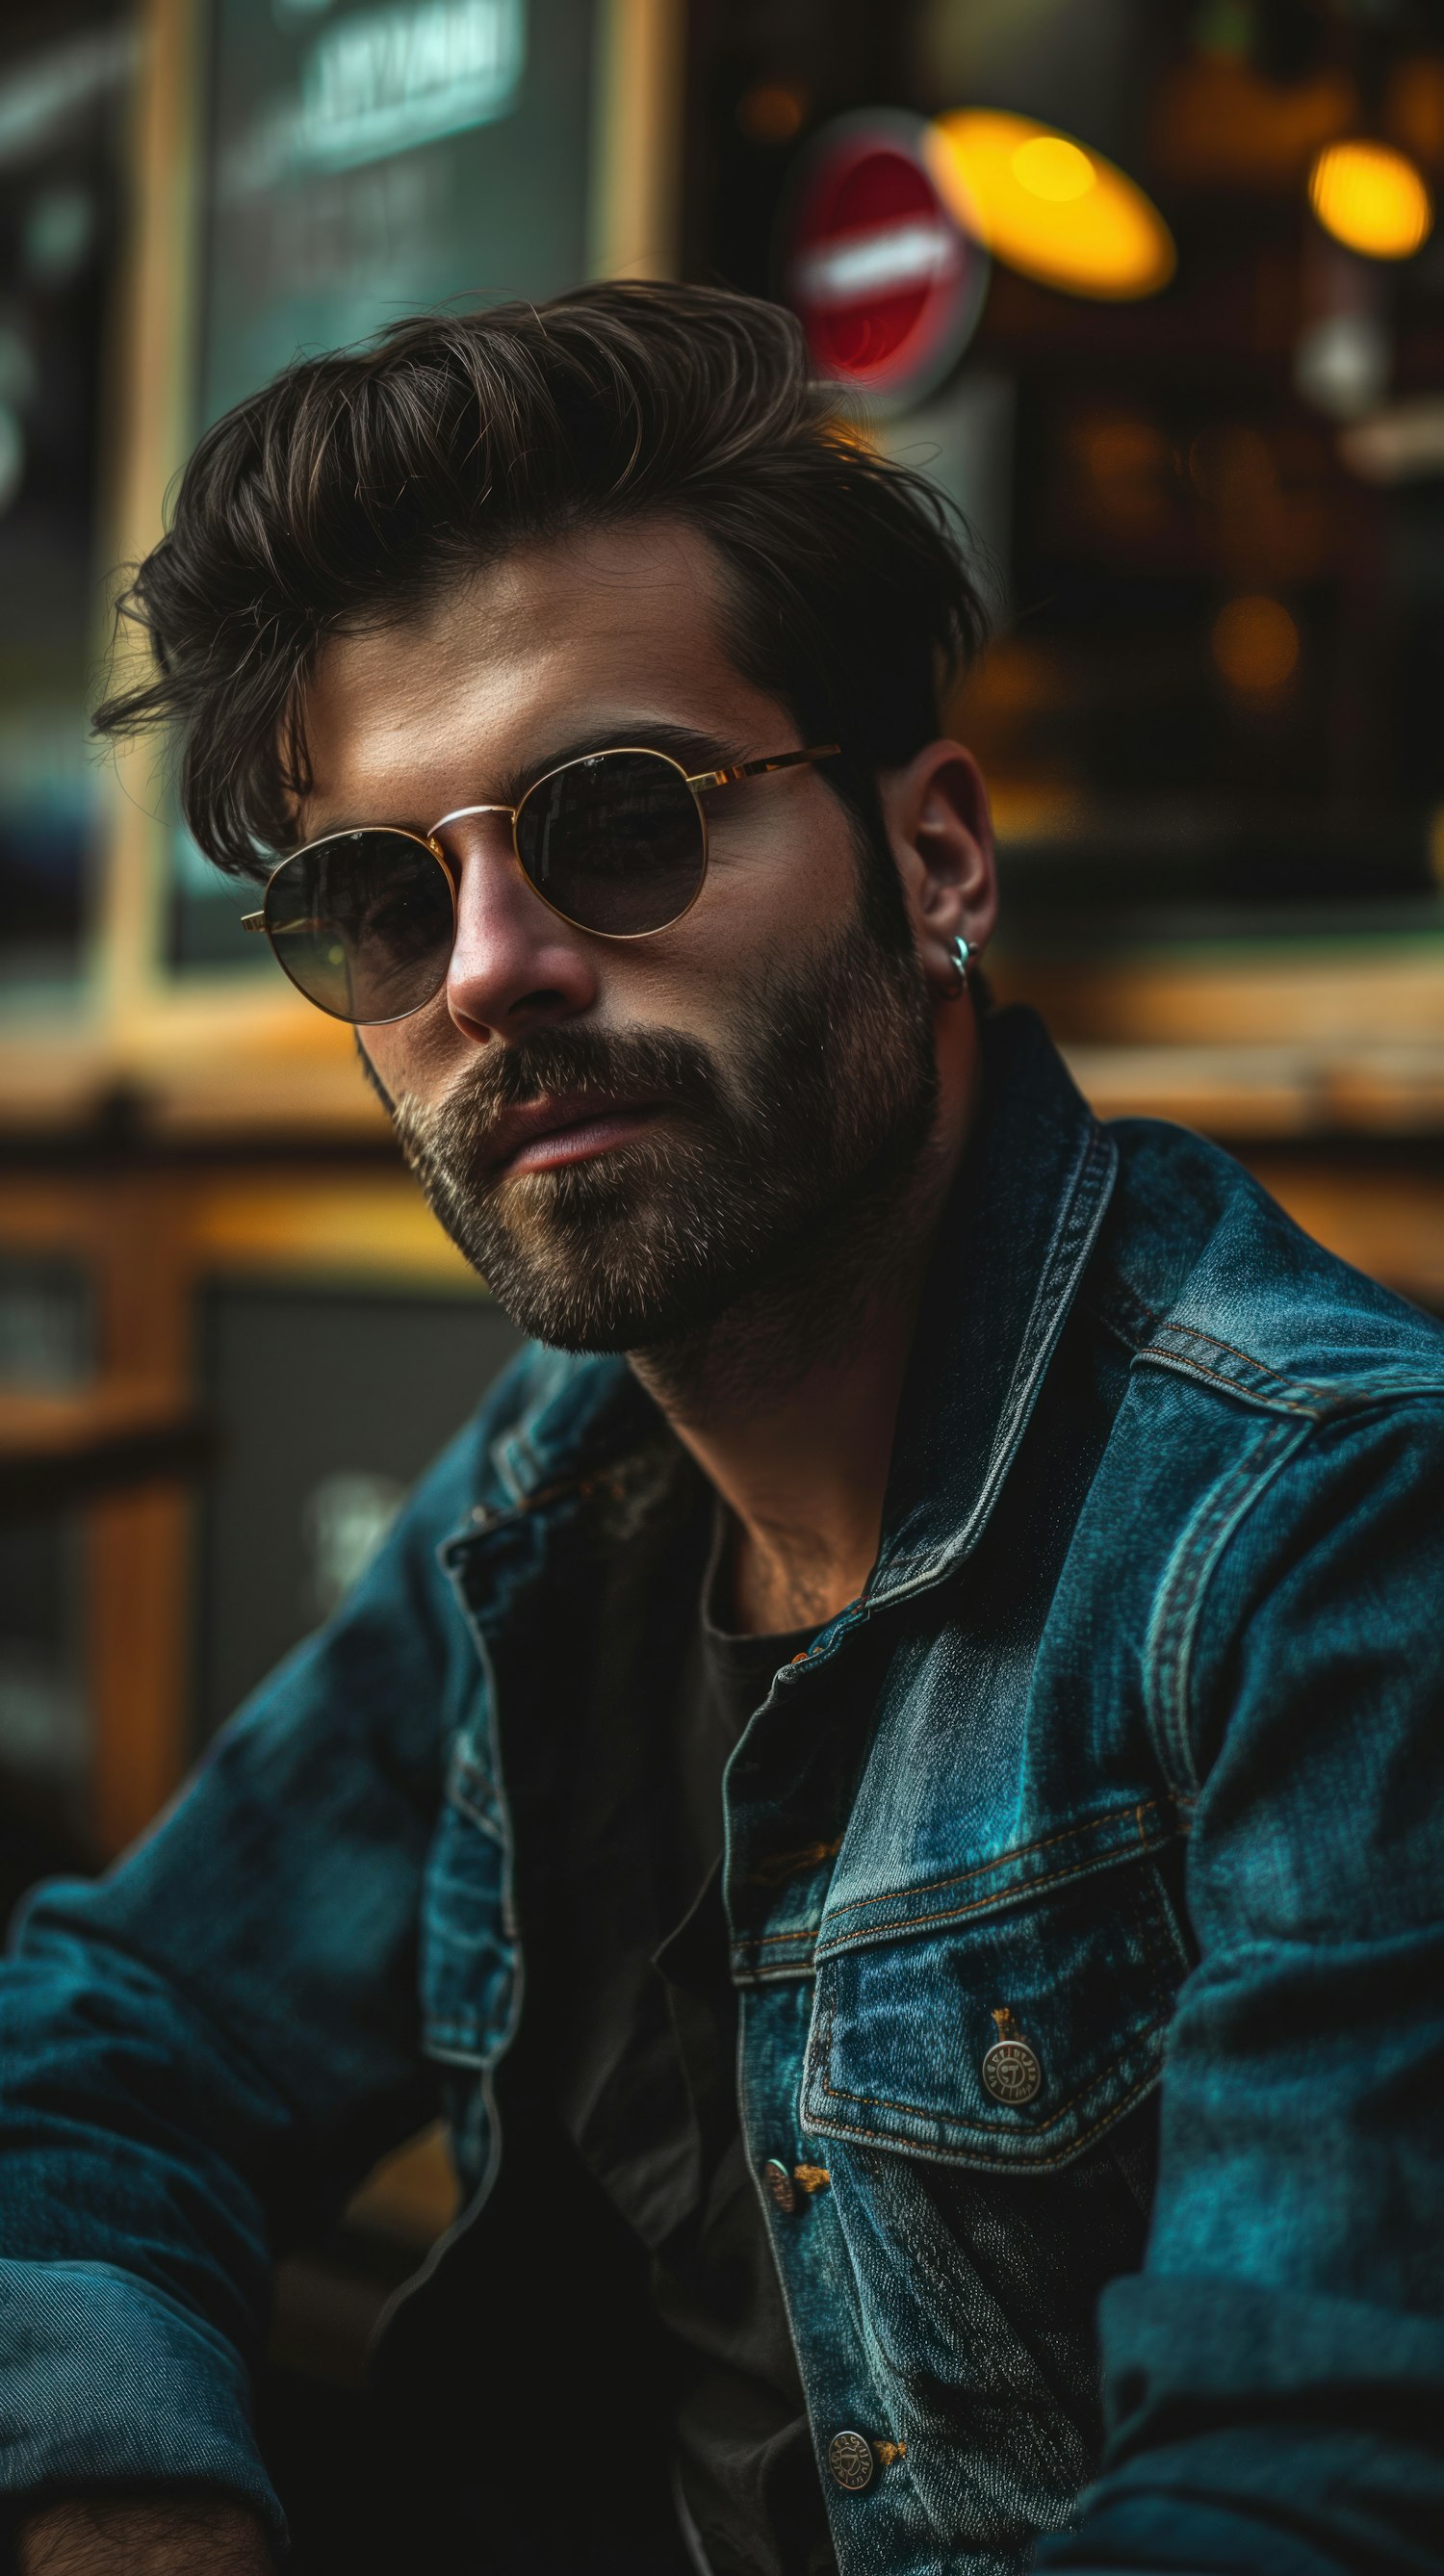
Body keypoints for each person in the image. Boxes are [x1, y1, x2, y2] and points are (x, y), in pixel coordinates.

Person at [3, 282, 1443, 2576]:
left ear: (938, 863)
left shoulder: (1330, 1533)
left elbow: (1306, 2496)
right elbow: (116, 2032)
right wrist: (127, 2501)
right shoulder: (558, 1488)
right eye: (381, 900)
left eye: (625, 821)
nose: (491, 967)